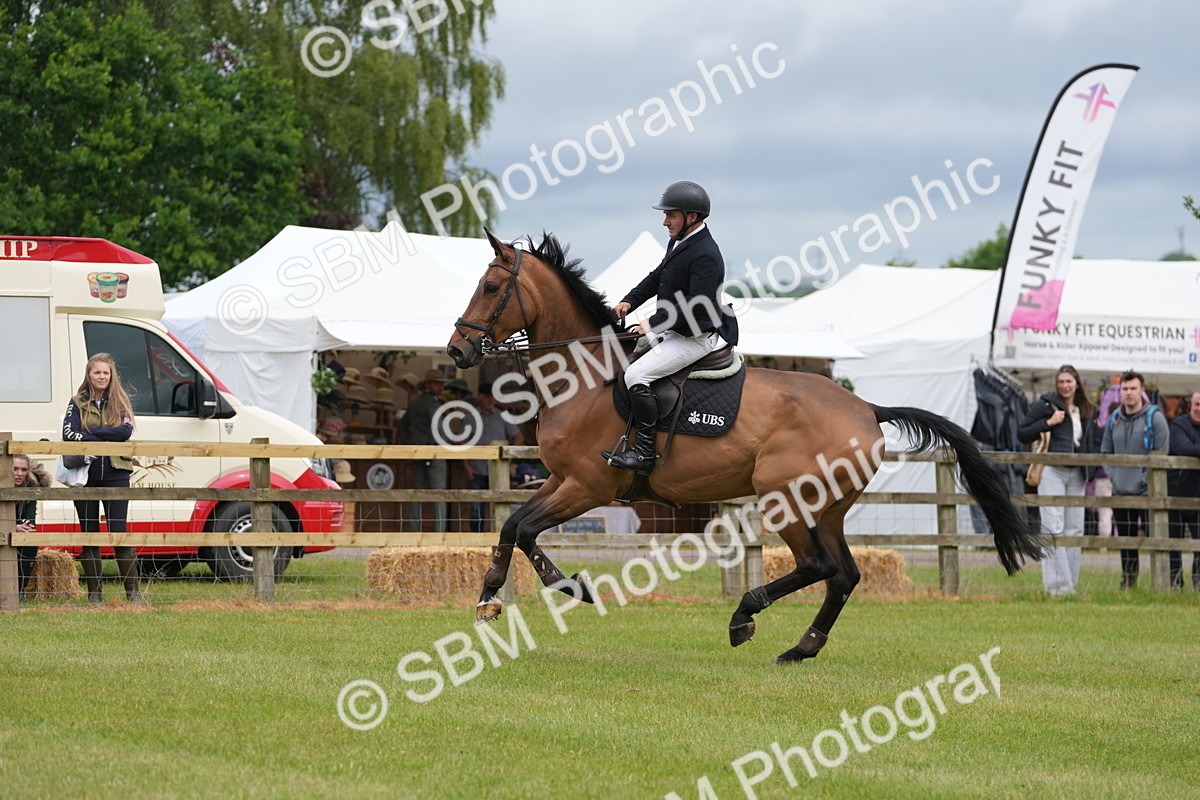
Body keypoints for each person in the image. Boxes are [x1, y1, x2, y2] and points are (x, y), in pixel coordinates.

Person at [602, 180, 740, 475]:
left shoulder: (706, 254)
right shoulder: (680, 240)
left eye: (671, 215)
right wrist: (629, 301)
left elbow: (695, 304)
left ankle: (644, 454)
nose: (665, 221)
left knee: (635, 374)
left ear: (692, 217)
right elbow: (657, 276)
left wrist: (651, 324)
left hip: (694, 337)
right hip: (674, 330)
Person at [63, 352, 142, 605]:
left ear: (111, 376)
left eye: (106, 373)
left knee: (119, 533)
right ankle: (94, 595)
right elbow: (69, 434)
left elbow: (125, 432)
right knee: (89, 534)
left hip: (116, 474)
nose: (102, 376)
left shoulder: (121, 401)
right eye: (97, 372)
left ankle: (134, 596)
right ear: (89, 374)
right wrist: (103, 437)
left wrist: (93, 433)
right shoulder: (77, 402)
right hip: (84, 475)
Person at [1018, 365, 1097, 596]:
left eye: (1069, 381)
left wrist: (1092, 468)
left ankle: (1070, 584)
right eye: (1061, 381)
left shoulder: (1087, 409)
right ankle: (1056, 587)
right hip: (1052, 470)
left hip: (1078, 473)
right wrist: (1048, 423)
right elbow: (1022, 432)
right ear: (1056, 383)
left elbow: (1092, 442)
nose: (1065, 385)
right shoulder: (1045, 404)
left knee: (1075, 529)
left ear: (1076, 383)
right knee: (1053, 527)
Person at [1100, 370, 1169, 589]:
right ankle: (1128, 582)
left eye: (1133, 388)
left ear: (1142, 390)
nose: (1129, 393)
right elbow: (1105, 452)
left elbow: (1162, 452)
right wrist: (1113, 476)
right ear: (1120, 392)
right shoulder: (1114, 419)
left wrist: (1144, 480)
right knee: (1126, 542)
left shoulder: (1155, 418)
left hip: (1147, 492)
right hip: (1120, 491)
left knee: (1155, 539)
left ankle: (1160, 583)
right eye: (1125, 389)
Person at [463, 384, 524, 532]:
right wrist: (466, 466)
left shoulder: (502, 416)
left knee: (500, 505)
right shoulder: (471, 417)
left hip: (498, 470)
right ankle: (477, 539)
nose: (491, 400)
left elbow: (519, 436)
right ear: (480, 397)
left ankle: (499, 536)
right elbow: (461, 442)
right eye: (488, 397)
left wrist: (508, 459)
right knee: (476, 509)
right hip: (476, 469)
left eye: (493, 397)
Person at [397, 369, 447, 532]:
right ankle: (440, 534)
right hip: (434, 452)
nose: (441, 387)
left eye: (441, 384)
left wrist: (409, 444)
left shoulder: (416, 403)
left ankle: (414, 531)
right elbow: (438, 428)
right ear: (429, 385)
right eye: (437, 384)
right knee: (439, 495)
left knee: (417, 494)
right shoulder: (433, 404)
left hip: (418, 452)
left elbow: (402, 426)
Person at [1167, 391, 1200, 590]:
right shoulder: (1179, 425)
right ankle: (1175, 584)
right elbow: (1184, 448)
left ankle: (1198, 584)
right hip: (1177, 494)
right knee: (1173, 544)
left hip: (1199, 497)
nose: (1199, 409)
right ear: (1191, 405)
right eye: (1197, 404)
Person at [12, 454, 47, 601]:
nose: (20, 474)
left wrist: (23, 527)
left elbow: (31, 518)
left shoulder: (32, 487)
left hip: (19, 528)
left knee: (30, 543)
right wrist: (13, 527)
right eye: (15, 469)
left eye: (24, 470)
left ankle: (20, 590)